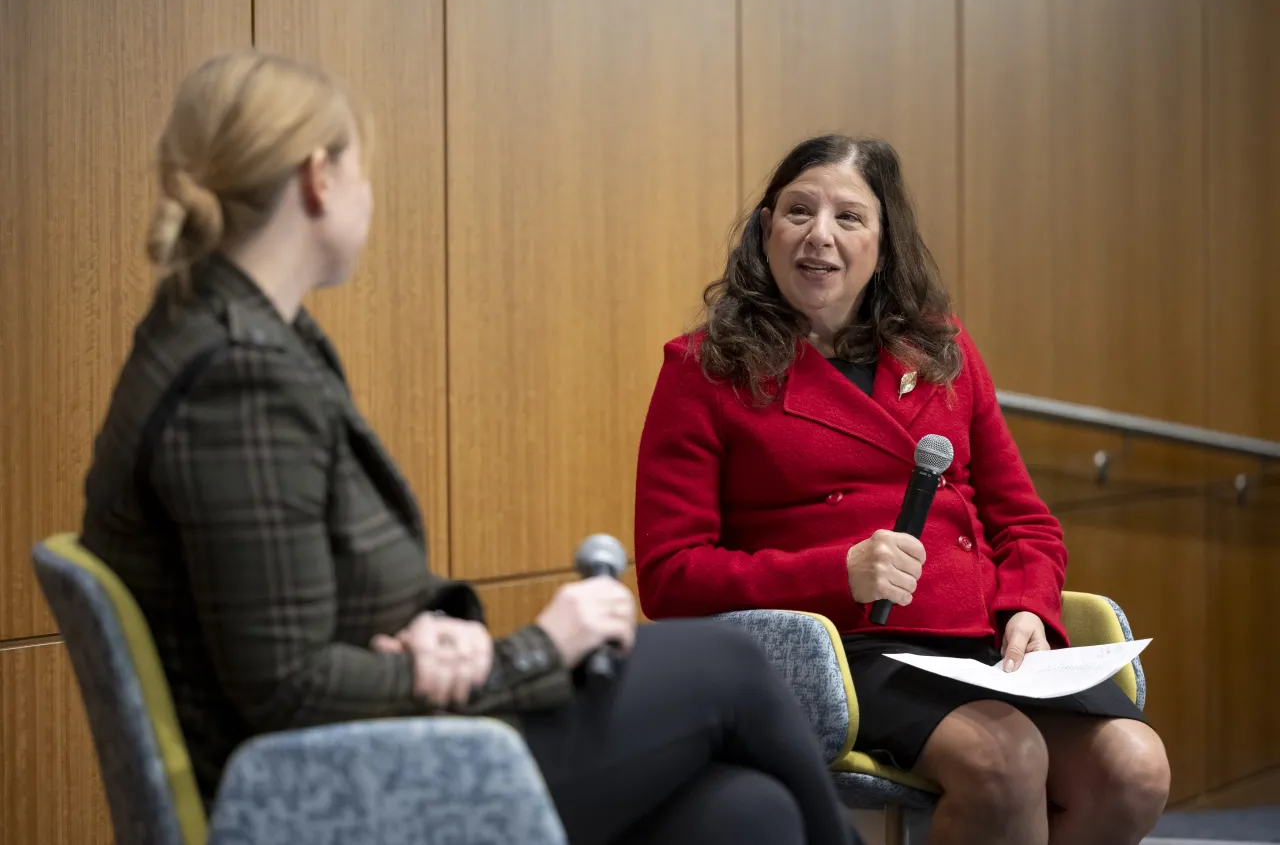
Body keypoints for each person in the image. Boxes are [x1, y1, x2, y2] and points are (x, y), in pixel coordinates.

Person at [80, 51, 860, 845]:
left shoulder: (240, 337)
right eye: (362, 171)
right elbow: (285, 687)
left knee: (747, 814)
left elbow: (286, 606)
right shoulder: (236, 376)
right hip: (335, 783)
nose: (368, 193)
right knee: (733, 668)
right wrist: (532, 651)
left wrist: (431, 628)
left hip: (379, 733)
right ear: (318, 178)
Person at [633, 134, 1171, 845]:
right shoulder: (705, 370)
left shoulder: (943, 349)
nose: (818, 235)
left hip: (983, 646)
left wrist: (1029, 608)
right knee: (1006, 760)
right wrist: (837, 572)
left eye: (849, 217)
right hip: (847, 652)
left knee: (1136, 766)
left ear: (883, 245)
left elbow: (1026, 523)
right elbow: (671, 576)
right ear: (767, 230)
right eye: (798, 211)